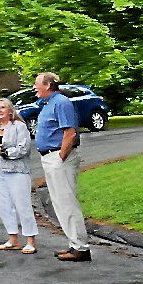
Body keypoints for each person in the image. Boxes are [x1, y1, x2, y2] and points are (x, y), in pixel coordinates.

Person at [34, 72, 91, 262]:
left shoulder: (61, 102)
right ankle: (74, 244)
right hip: (50, 157)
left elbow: (70, 132)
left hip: (59, 157)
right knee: (60, 202)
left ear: (48, 85)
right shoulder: (49, 103)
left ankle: (80, 247)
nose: (34, 88)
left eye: (37, 84)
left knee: (66, 201)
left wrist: (61, 157)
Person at [0, 98, 37, 254]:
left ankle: (30, 240)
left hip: (17, 171)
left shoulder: (19, 127)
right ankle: (13, 238)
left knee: (22, 205)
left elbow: (24, 148)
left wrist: (4, 151)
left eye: (3, 107)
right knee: (5, 206)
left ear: (10, 111)